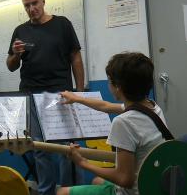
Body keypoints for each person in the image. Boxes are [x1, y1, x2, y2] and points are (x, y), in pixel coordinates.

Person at [6, 0, 85, 195]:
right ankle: (46, 191)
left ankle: (68, 191)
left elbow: (75, 58)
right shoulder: (20, 30)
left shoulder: (62, 24)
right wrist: (14, 54)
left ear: (43, 1)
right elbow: (11, 66)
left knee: (66, 150)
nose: (32, 8)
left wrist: (79, 92)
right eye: (27, 5)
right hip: (31, 96)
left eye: (35, 3)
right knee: (40, 149)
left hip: (62, 95)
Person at [57, 52, 168, 195]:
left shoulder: (123, 122)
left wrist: (83, 163)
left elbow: (124, 180)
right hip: (154, 183)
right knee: (97, 180)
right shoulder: (151, 107)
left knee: (61, 192)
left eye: (109, 81)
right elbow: (106, 106)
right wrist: (77, 98)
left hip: (135, 190)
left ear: (118, 87)